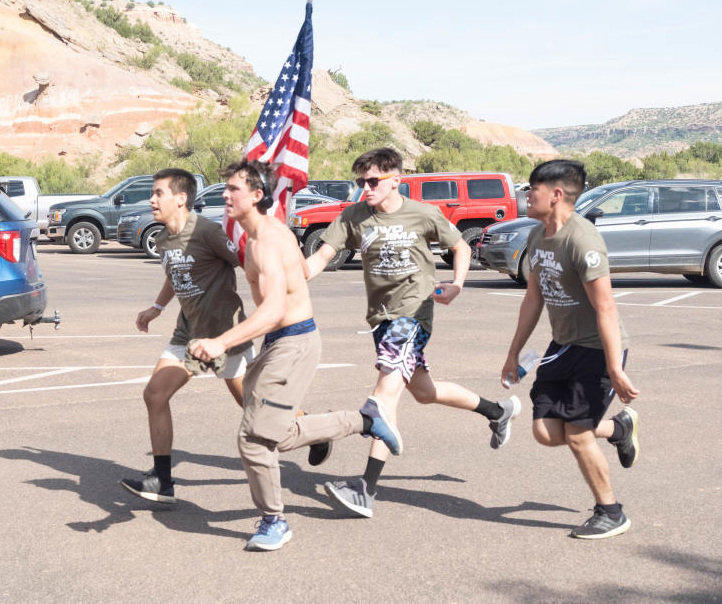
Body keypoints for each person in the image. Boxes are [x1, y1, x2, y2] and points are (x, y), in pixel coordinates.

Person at [188, 159, 400, 552]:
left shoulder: (267, 241)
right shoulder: (266, 235)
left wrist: (219, 342)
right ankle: (364, 420)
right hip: (282, 343)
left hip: (293, 342)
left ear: (256, 195)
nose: (225, 194)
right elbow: (301, 270)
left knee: (254, 439)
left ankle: (275, 521)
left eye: (234, 188)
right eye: (226, 188)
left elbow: (273, 310)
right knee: (276, 435)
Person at [304, 147, 521, 518]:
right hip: (381, 318)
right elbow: (323, 256)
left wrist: (457, 283)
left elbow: (460, 246)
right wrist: (290, 280)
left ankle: (364, 488)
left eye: (373, 181)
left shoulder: (422, 214)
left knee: (384, 396)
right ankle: (497, 411)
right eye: (361, 182)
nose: (365, 189)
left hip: (413, 314)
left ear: (395, 180)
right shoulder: (354, 215)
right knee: (422, 391)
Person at [501, 159, 640, 540]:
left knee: (578, 434)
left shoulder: (584, 241)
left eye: (533, 189)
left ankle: (610, 512)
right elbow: (534, 297)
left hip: (596, 349)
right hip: (562, 347)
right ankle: (616, 429)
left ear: (556, 194)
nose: (527, 195)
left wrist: (614, 367)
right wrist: (514, 352)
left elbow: (606, 307)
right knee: (545, 432)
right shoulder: (537, 236)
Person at [119, 168, 256, 504]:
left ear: (180, 199)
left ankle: (308, 430)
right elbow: (174, 274)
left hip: (223, 332)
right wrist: (156, 307)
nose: (151, 200)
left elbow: (247, 263)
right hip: (187, 332)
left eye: (158, 193)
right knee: (154, 395)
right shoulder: (165, 237)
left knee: (255, 408)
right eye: (152, 194)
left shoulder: (207, 232)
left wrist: (274, 309)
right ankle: (162, 482)